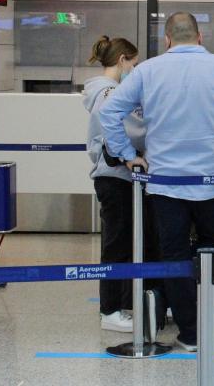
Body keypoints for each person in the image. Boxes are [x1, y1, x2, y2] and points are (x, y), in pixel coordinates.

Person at [99, 12, 214, 351]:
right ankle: (207, 324)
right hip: (211, 185)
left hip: (164, 185)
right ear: (200, 38)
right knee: (213, 253)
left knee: (174, 256)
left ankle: (189, 333)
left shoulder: (147, 71)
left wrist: (128, 154)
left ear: (167, 40)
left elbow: (108, 113)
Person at [82, 36, 144, 333]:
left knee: (120, 242)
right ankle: (110, 310)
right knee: (116, 245)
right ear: (122, 60)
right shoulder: (110, 93)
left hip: (113, 175)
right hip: (115, 176)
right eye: (133, 62)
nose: (134, 68)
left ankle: (119, 305)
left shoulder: (101, 91)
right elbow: (128, 128)